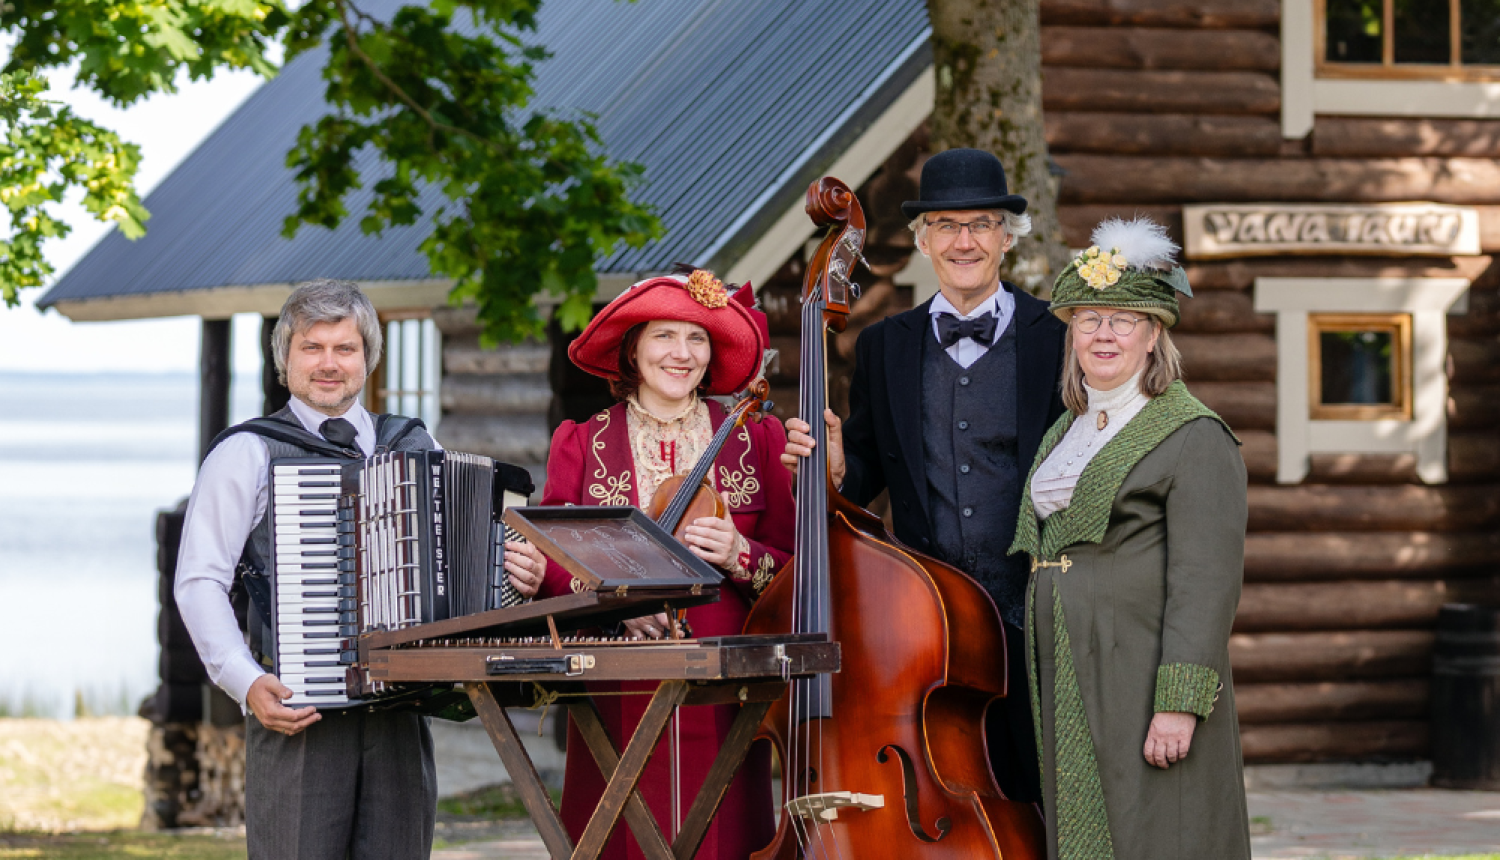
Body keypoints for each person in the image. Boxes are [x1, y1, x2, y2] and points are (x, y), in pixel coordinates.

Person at [175, 279, 546, 859]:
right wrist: (245, 682)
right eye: (312, 348)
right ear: (285, 359)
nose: (329, 364)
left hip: (403, 713)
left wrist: (513, 572)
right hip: (298, 709)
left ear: (367, 358)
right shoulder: (247, 452)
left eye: (344, 348)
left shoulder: (415, 444)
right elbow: (200, 580)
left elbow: (464, 563)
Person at [782, 147, 1066, 803]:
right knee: (945, 793)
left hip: (1036, 616)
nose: (964, 242)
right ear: (922, 240)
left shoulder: (1057, 336)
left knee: (1043, 794)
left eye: (981, 225)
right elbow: (862, 478)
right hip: (927, 626)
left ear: (1006, 237)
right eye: (946, 225)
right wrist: (835, 467)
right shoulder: (885, 345)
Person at [1009, 217, 1252, 859]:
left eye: (1123, 320)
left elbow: (1206, 582)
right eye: (1089, 320)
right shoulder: (1066, 430)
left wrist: (1179, 702)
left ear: (1153, 336)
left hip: (1140, 672)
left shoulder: (1193, 433)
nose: (1104, 334)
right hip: (1068, 665)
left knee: (1159, 832)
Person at [533, 269, 794, 859]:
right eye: (664, 336)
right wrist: (614, 603)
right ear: (633, 349)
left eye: (697, 338)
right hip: (616, 682)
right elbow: (553, 566)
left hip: (727, 690)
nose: (682, 353)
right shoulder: (581, 441)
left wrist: (740, 553)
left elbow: (794, 573)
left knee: (726, 837)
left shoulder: (758, 438)